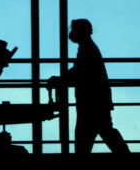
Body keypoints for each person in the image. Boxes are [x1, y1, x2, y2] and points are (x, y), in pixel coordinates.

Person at [48, 19, 130, 155]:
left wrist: (59, 79)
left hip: (90, 103)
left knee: (84, 138)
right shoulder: (89, 48)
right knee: (106, 132)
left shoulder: (87, 49)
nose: (72, 33)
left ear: (81, 31)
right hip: (98, 101)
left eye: (74, 30)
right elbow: (79, 72)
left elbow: (79, 72)